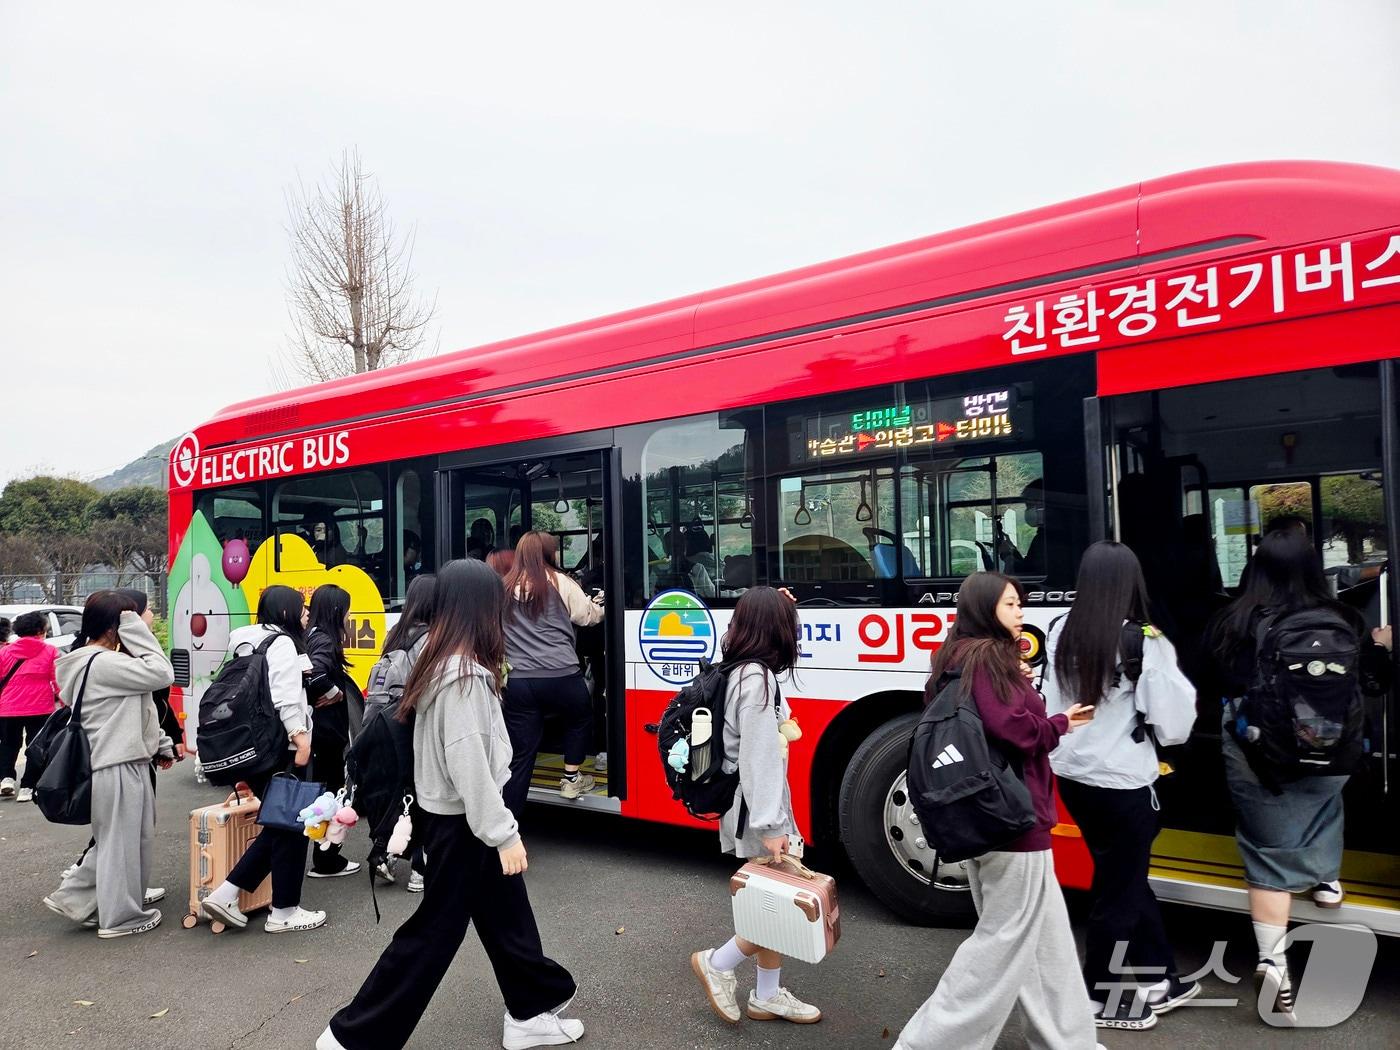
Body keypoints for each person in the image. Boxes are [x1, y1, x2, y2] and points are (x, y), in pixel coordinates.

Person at [317, 559, 583, 1050]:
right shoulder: (464, 676)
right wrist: (503, 834)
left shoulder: (442, 662)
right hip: (465, 825)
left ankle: (529, 1010)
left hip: (454, 821)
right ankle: (353, 1036)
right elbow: (470, 765)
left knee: (507, 916)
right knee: (433, 934)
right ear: (481, 609)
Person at [893, 572, 1097, 1050]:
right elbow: (1020, 733)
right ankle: (928, 1044)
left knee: (1047, 945)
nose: (1020, 612)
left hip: (992, 819)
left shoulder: (956, 657)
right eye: (1010, 604)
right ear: (987, 610)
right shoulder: (989, 659)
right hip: (1014, 821)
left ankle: (1068, 1042)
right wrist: (1060, 721)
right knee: (1000, 943)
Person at [1204, 529, 1393, 1019]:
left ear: (1257, 567)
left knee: (1268, 849)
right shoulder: (1344, 617)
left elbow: (1218, 680)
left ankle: (1272, 960)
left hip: (1260, 752)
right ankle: (1326, 883)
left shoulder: (1235, 618)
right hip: (1336, 747)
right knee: (1324, 802)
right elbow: (1376, 679)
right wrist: (1376, 646)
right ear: (1312, 568)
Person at [1042, 542, 1200, 1029]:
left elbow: (1051, 699)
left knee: (1124, 876)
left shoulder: (1059, 628)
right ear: (1132, 582)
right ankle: (1098, 997)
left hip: (1073, 776)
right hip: (1125, 783)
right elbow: (1174, 724)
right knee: (1118, 888)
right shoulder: (1144, 641)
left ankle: (1160, 979)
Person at [691, 586, 822, 1026]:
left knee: (771, 896)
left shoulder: (744, 671)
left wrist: (781, 601)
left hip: (750, 805)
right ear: (777, 631)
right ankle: (718, 962)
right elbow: (758, 756)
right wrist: (772, 824)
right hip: (757, 809)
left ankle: (766, 994)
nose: (796, 632)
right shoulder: (757, 679)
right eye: (791, 625)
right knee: (777, 906)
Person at [42, 591, 176, 938]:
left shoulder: (93, 660)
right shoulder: (102, 663)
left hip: (118, 758)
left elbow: (136, 709)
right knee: (122, 843)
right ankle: (119, 918)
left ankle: (75, 898)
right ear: (117, 627)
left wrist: (160, 744)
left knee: (116, 840)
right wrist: (135, 628)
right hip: (117, 761)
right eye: (131, 619)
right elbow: (163, 673)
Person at [199, 585, 327, 934]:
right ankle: (282, 911)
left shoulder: (243, 639)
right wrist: (300, 739)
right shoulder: (282, 643)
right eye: (301, 609)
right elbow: (286, 697)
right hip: (280, 746)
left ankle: (232, 895)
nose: (305, 615)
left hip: (249, 745)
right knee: (291, 821)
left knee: (282, 823)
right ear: (286, 611)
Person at [501, 531, 605, 808]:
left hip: (519, 680)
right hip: (561, 675)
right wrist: (600, 606)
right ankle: (572, 778)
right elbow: (586, 617)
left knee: (521, 755)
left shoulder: (503, 586)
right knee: (580, 718)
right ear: (548, 554)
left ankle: (508, 830)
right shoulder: (561, 582)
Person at [376, 573, 438, 893]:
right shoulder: (430, 638)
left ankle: (387, 854)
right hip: (416, 724)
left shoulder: (396, 632)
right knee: (422, 795)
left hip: (392, 725)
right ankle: (419, 869)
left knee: (405, 794)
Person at [305, 583, 364, 880]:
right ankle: (326, 860)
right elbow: (315, 673)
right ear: (336, 610)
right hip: (327, 733)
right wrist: (334, 693)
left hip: (320, 732)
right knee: (330, 794)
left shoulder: (313, 635)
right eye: (347, 608)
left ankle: (324, 856)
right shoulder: (326, 641)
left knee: (321, 794)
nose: (350, 614)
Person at [0, 611, 60, 803]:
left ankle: (6, 778)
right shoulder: (50, 651)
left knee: (8, 744)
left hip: (8, 706)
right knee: (36, 746)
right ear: (41, 630)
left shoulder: (5, 652)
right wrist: (64, 699)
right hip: (40, 706)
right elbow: (56, 679)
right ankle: (27, 786)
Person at [998, 480, 1046, 576]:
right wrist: (1013, 550)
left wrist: (1007, 555)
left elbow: (1027, 575)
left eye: (1030, 506)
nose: (1028, 511)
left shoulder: (1047, 540)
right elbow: (1027, 565)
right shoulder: (1043, 536)